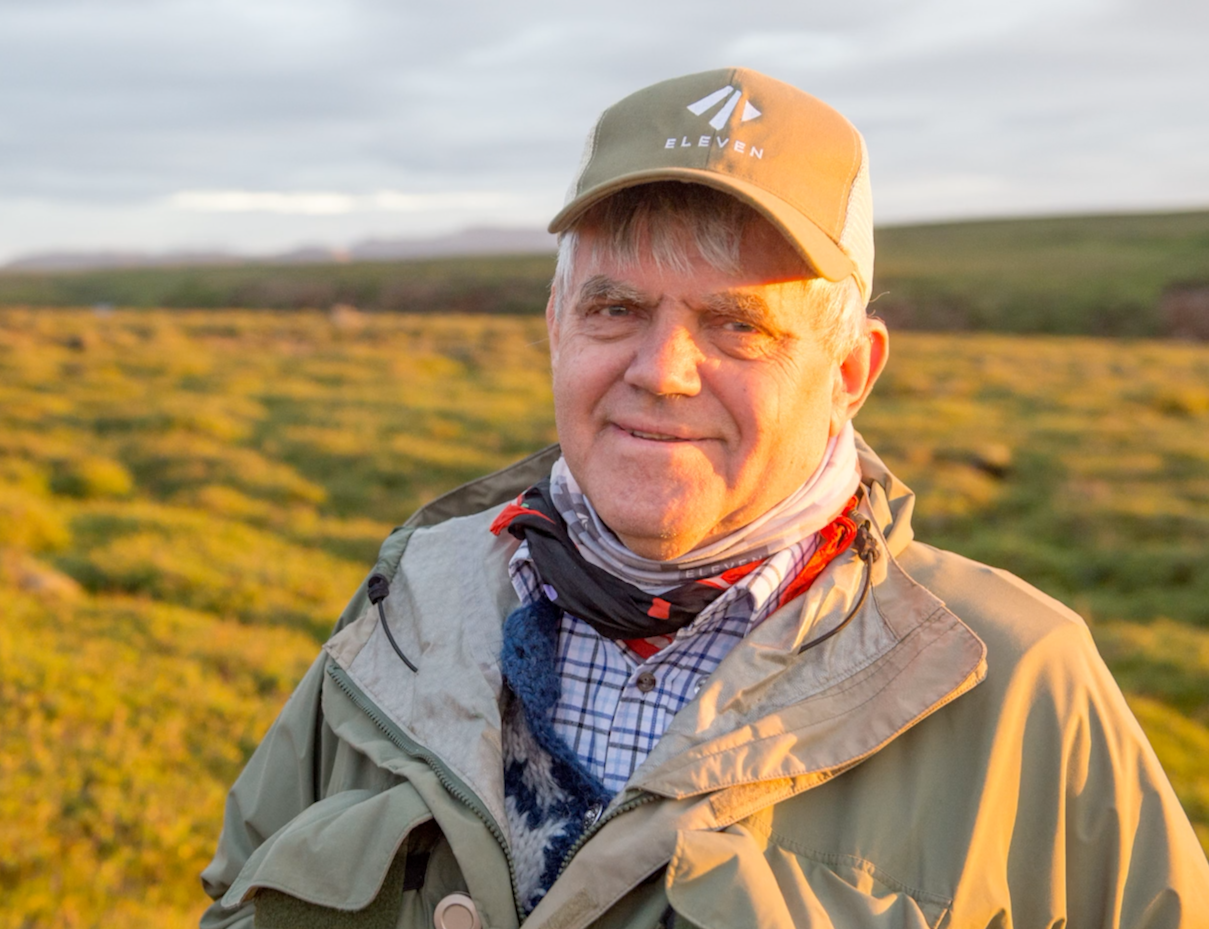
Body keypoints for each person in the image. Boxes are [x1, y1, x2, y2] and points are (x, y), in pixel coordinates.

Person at [198, 67, 1209, 929]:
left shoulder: (1017, 679)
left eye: (738, 325)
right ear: (555, 324)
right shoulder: (409, 605)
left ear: (849, 372)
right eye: (615, 307)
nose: (662, 369)